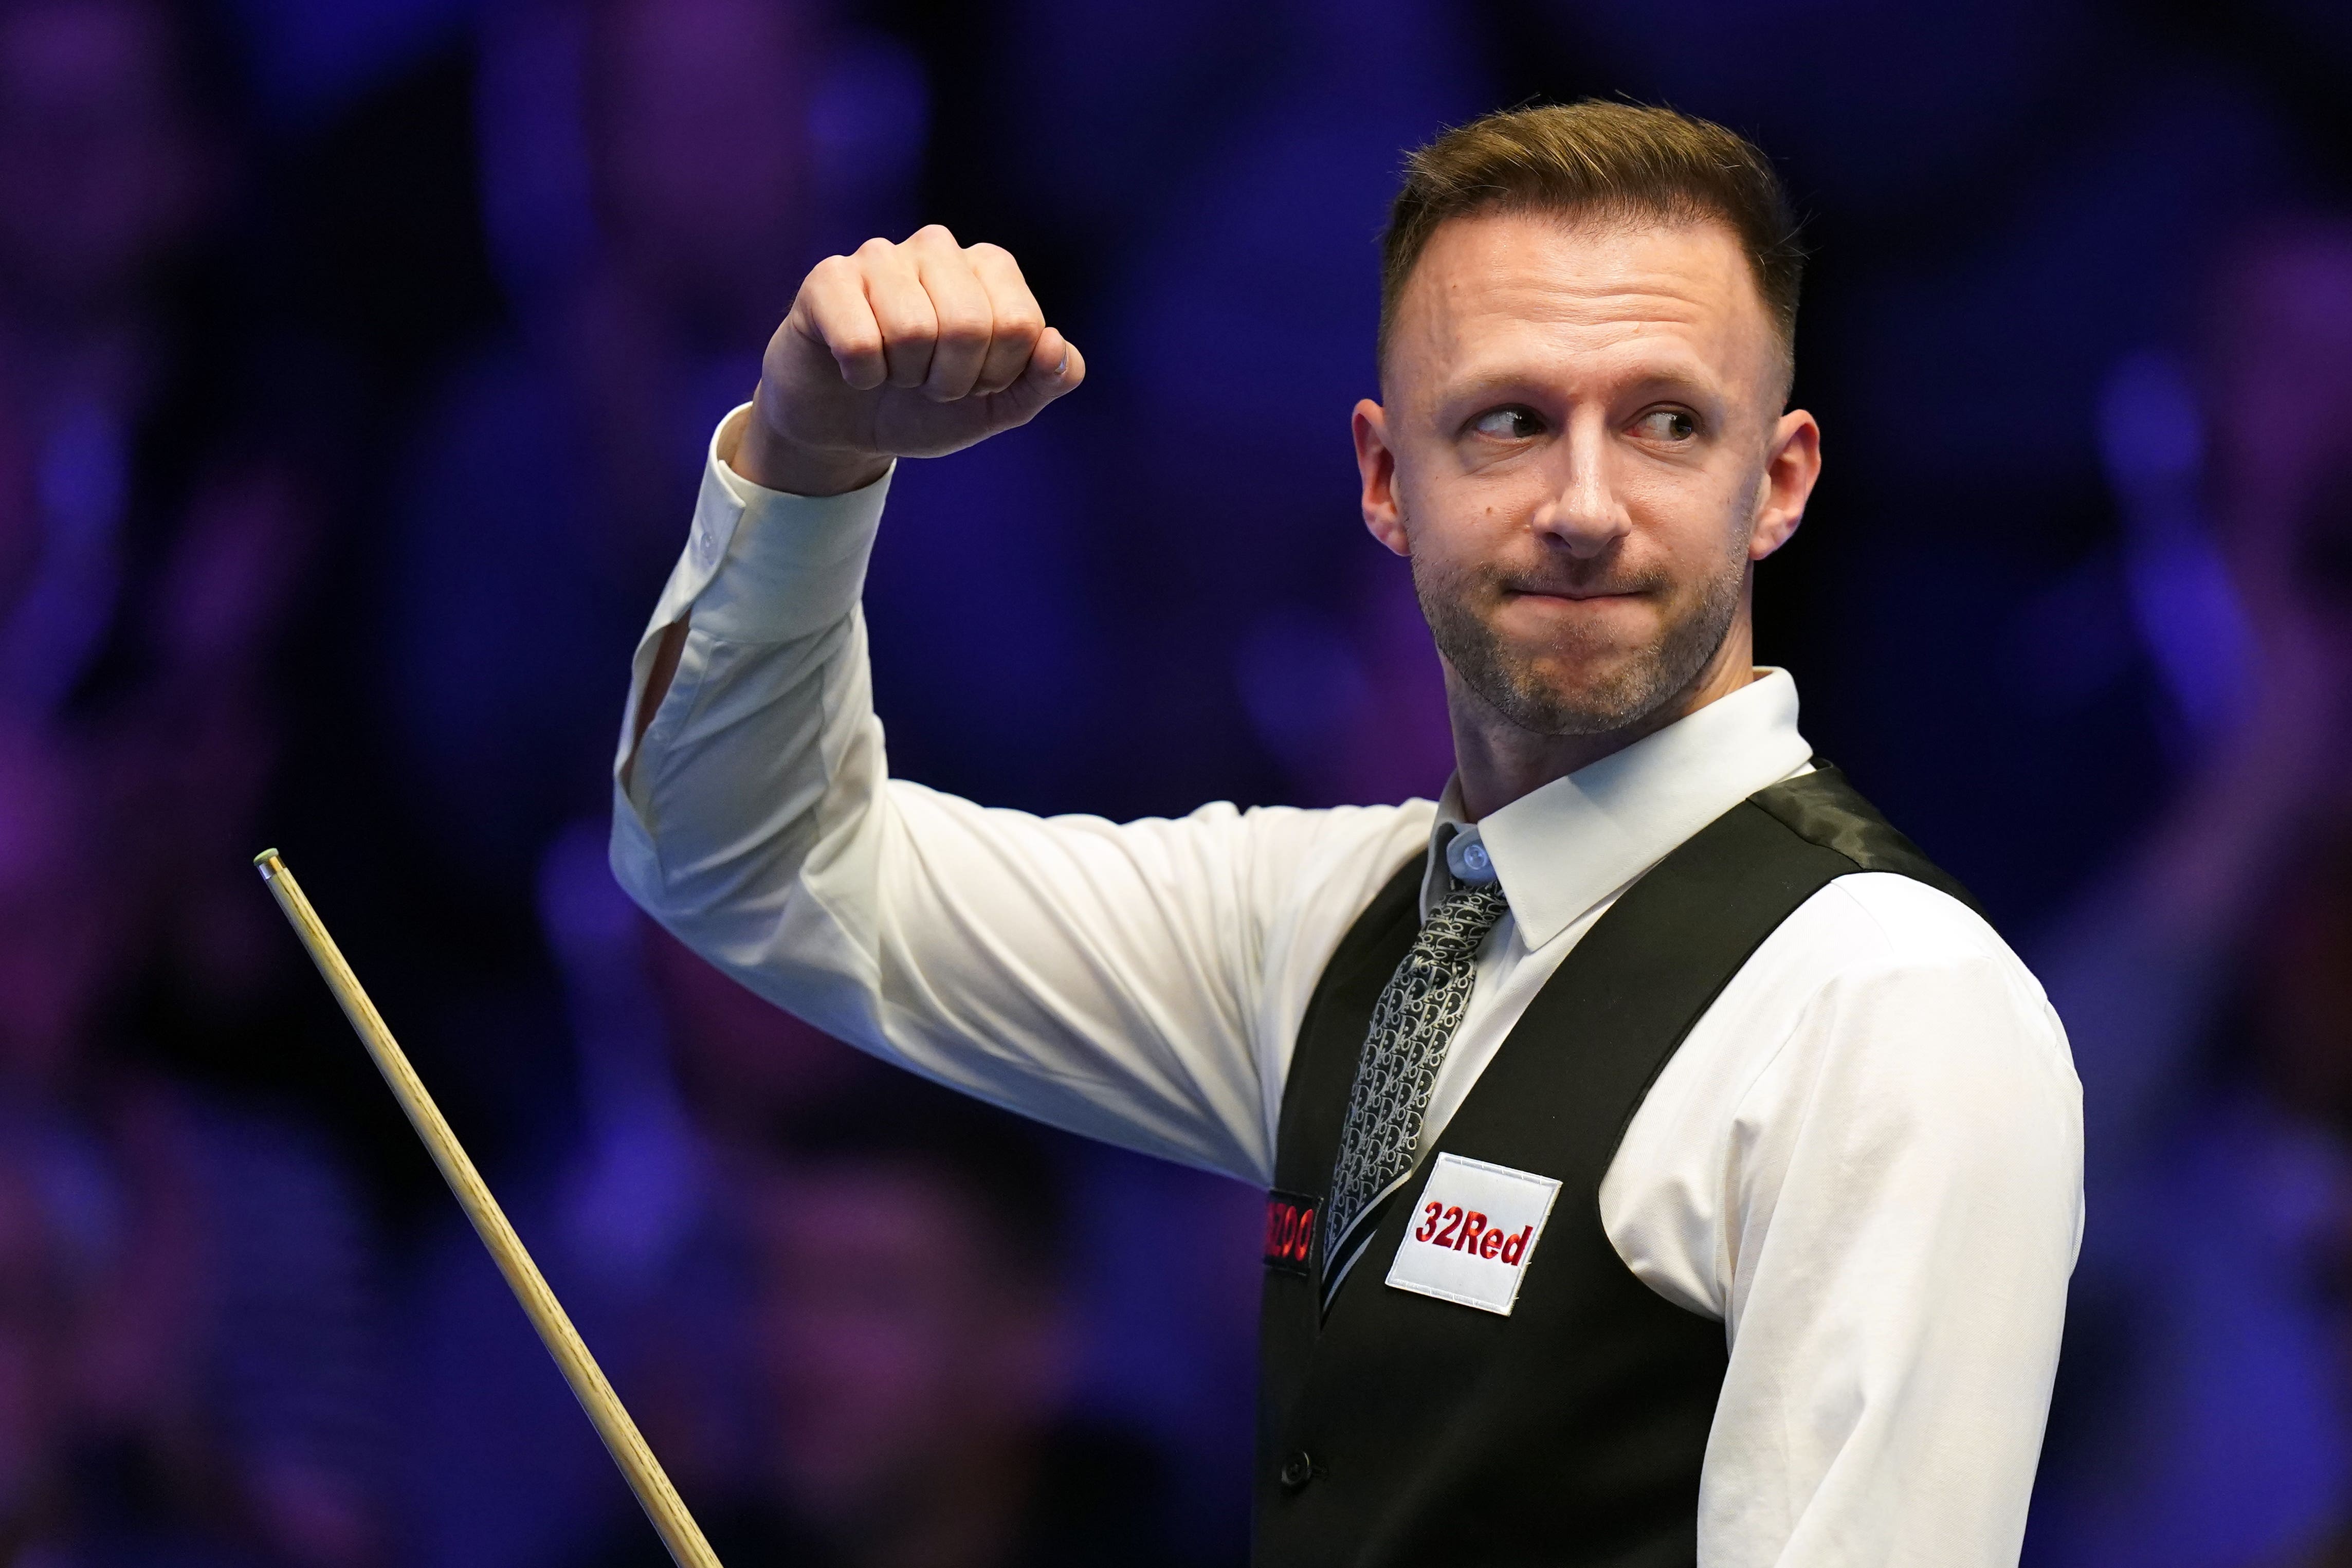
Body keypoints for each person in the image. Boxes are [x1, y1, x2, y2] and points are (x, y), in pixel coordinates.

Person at [612, 101, 2083, 1564]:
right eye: (1508, 420)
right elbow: (749, 865)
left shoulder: (1891, 1003)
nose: (1583, 503)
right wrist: (805, 457)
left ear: (1778, 481)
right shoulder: (1325, 927)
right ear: (1386, 481)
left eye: (1666, 422)